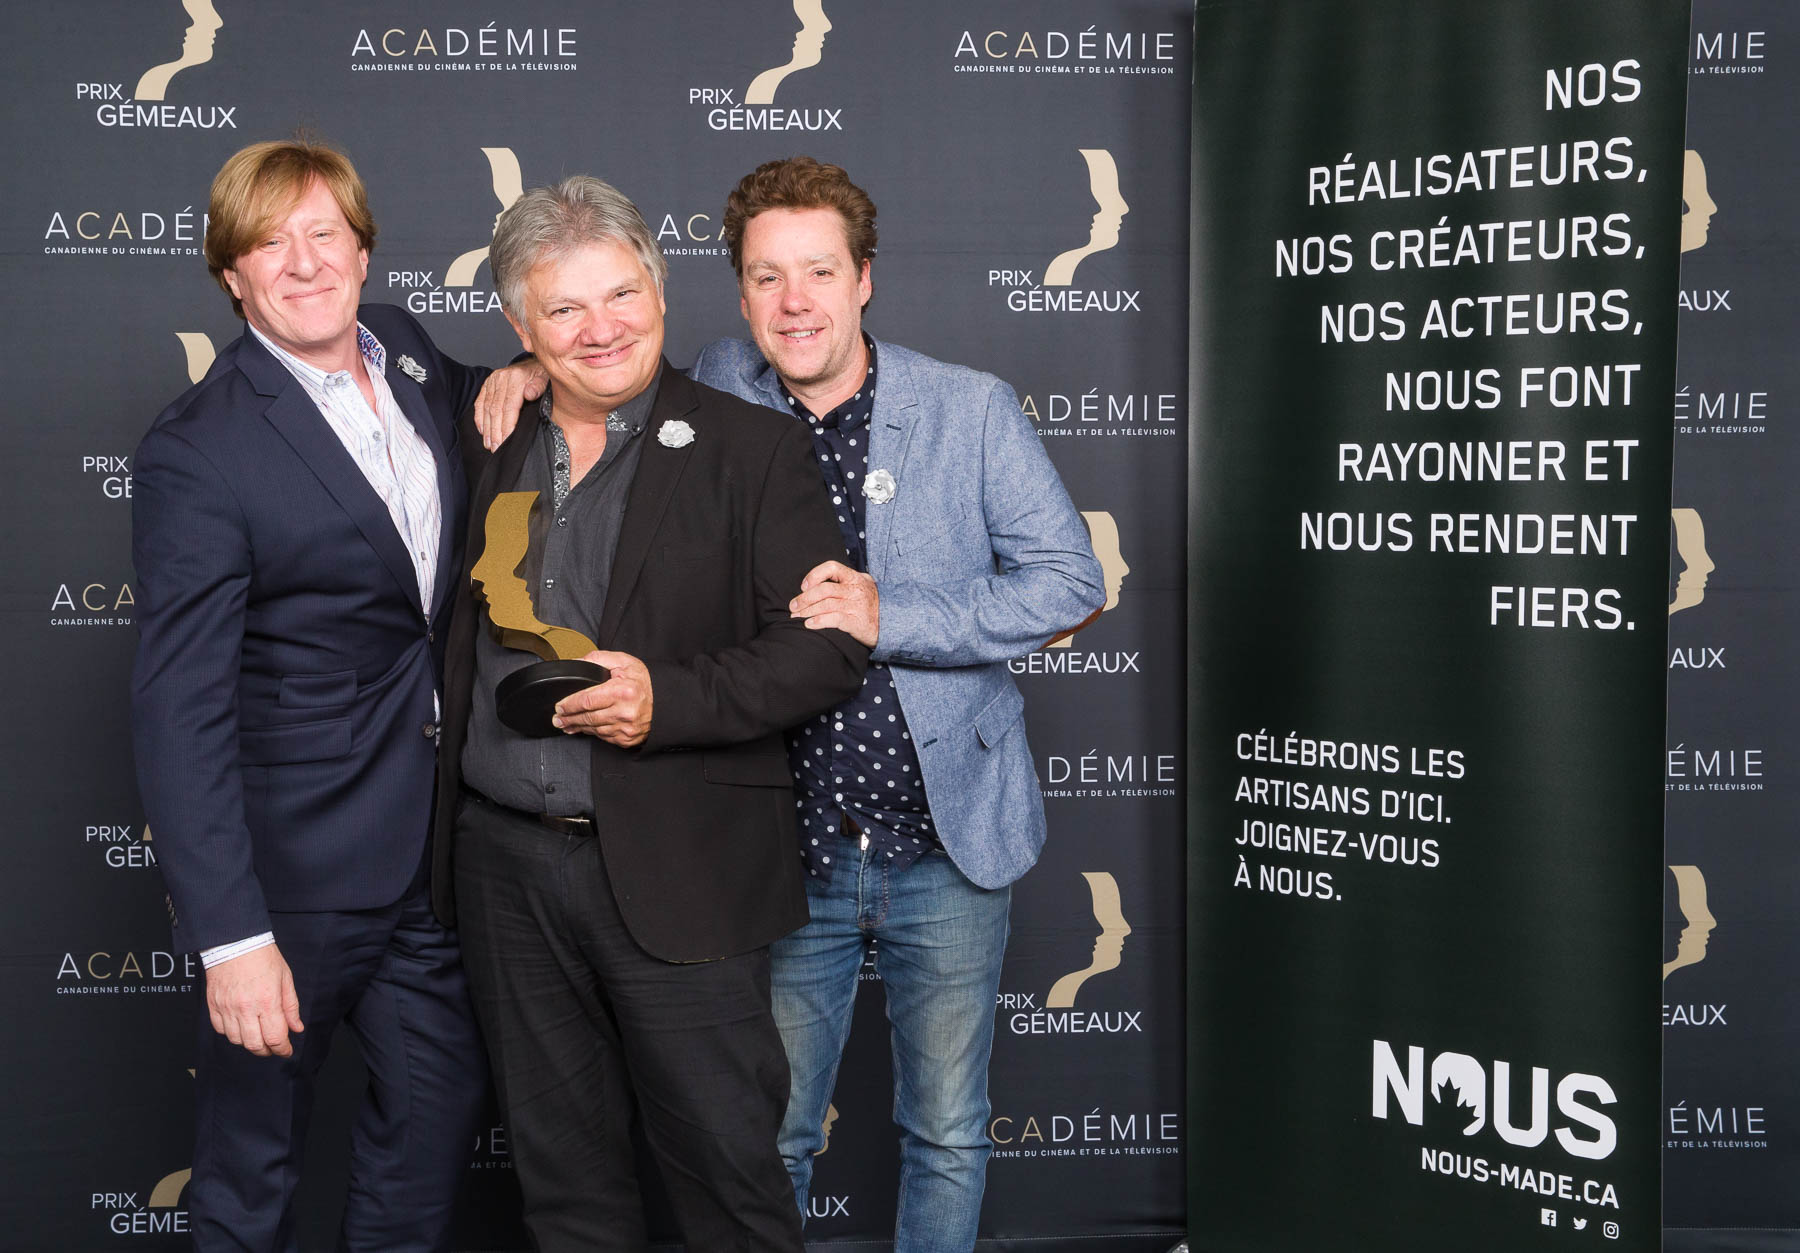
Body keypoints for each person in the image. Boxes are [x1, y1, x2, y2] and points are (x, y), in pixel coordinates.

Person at [477, 155, 1106, 1251]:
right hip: (778, 841)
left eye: (819, 271)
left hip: (940, 835)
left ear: (865, 278)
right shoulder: (718, 385)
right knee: (764, 1135)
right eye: (767, 277)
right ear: (736, 295)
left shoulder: (968, 408)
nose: (795, 301)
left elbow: (1072, 583)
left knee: (947, 1124)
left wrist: (890, 612)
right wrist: (531, 364)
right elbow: (601, 351)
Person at [434, 174, 867, 1252]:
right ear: (520, 326)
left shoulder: (751, 449)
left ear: (662, 290)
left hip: (683, 864)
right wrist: (521, 381)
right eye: (564, 308)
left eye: (622, 294)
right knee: (565, 1190)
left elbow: (824, 651)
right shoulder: (488, 434)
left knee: (730, 1186)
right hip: (506, 870)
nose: (602, 328)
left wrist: (664, 699)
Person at [131, 138, 488, 1251]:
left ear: (363, 249)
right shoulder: (199, 450)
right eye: (268, 243)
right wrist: (231, 937)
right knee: (252, 1166)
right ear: (230, 276)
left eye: (323, 232)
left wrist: (524, 373)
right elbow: (179, 709)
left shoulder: (412, 353)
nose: (303, 261)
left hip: (426, 856)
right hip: (287, 883)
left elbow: (482, 404)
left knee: (431, 1127)